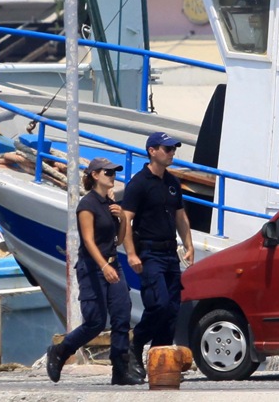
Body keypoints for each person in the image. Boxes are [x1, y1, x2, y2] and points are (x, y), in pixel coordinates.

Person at [46, 158, 142, 386]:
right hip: (93, 268)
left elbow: (118, 240)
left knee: (121, 316)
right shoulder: (87, 205)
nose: (113, 176)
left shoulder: (109, 203)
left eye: (114, 172)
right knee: (95, 322)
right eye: (108, 172)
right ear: (95, 175)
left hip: (112, 265)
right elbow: (88, 241)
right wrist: (103, 266)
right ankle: (60, 351)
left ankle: (120, 371)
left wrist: (121, 219)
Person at [122, 132, 195, 380]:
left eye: (173, 149)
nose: (172, 153)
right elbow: (126, 219)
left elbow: (180, 216)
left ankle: (159, 359)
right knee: (159, 304)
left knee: (173, 309)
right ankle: (135, 345)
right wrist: (131, 253)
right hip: (150, 252)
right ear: (152, 151)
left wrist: (189, 244)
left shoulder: (172, 182)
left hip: (169, 252)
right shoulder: (139, 183)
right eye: (167, 149)